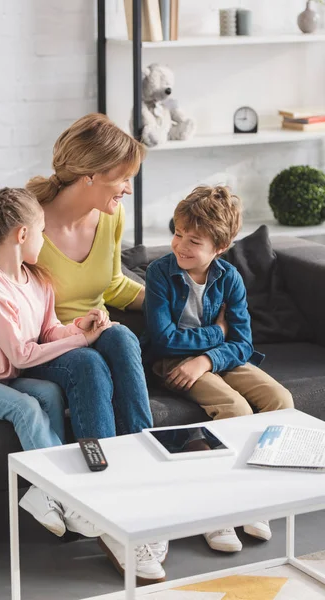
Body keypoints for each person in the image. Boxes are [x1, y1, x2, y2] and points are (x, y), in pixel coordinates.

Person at [0, 114, 166, 584]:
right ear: (90, 176)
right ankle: (107, 503)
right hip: (48, 344)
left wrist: (169, 302)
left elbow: (112, 283)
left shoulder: (110, 218)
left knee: (121, 337)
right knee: (89, 365)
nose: (128, 190)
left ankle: (147, 483)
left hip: (85, 328)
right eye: (123, 179)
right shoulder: (27, 221)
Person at [0, 186, 115, 539]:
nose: (45, 240)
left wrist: (77, 328)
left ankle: (42, 493)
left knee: (49, 392)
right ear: (23, 234)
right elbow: (22, 354)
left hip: (2, 377)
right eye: (41, 232)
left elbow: (48, 331)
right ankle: (66, 496)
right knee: (27, 409)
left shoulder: (37, 281)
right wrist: (83, 342)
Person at [142, 184, 294, 553]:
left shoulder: (230, 279)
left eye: (193, 241)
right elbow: (162, 339)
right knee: (236, 409)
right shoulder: (160, 274)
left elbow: (242, 344)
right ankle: (219, 510)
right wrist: (216, 333)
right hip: (172, 363)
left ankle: (257, 498)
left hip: (217, 358)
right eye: (177, 234)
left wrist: (207, 357)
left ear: (219, 248)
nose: (180, 246)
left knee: (281, 399)